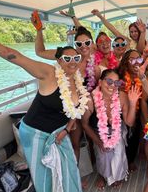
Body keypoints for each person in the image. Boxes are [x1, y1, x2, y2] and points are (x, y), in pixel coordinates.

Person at [0, 30, 90, 192]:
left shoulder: (77, 79)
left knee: (69, 167)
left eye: (76, 58)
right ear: (59, 60)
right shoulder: (48, 73)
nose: (72, 62)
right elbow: (15, 56)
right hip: (35, 132)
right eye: (67, 58)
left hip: (59, 132)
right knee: (44, 176)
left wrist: (67, 129)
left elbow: (76, 111)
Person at [31, 14, 99, 161]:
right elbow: (40, 52)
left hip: (86, 106)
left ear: (92, 42)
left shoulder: (95, 62)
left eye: (87, 43)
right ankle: (75, 174)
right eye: (79, 44)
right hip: (68, 106)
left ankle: (93, 167)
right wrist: (39, 30)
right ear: (75, 45)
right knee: (74, 142)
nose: (83, 47)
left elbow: (97, 86)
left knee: (92, 137)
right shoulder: (66, 56)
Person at [81, 69, 141, 189]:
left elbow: (129, 122)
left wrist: (133, 103)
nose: (113, 86)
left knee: (118, 153)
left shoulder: (122, 96)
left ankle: (118, 176)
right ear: (100, 82)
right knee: (103, 155)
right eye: (109, 81)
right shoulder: (90, 100)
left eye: (117, 83)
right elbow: (85, 124)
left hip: (117, 129)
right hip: (97, 131)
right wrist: (98, 142)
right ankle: (103, 176)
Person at [118, 49, 145, 172]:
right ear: (125, 63)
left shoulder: (144, 76)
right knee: (123, 138)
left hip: (139, 111)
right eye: (132, 60)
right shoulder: (120, 78)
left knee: (134, 136)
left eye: (139, 59)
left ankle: (131, 160)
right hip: (122, 112)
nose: (136, 62)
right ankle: (121, 162)